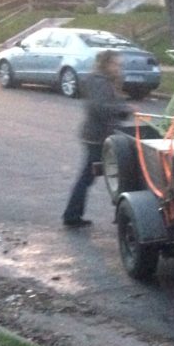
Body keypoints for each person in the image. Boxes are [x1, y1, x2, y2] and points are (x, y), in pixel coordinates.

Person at [61, 49, 132, 228]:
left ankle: (73, 214)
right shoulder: (98, 81)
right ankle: (72, 215)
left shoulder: (101, 80)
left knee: (112, 175)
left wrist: (122, 108)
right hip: (98, 137)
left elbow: (107, 106)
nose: (119, 68)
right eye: (116, 64)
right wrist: (123, 110)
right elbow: (99, 108)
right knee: (101, 176)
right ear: (106, 64)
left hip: (100, 134)